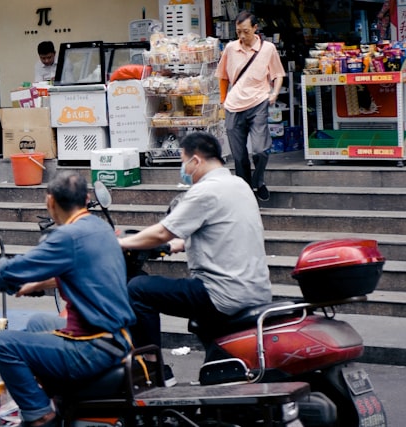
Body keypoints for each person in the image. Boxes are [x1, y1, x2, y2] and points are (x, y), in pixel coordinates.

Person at [0, 171, 136, 427]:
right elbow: (81, 271)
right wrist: (36, 284)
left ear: (50, 202)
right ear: (87, 198)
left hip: (92, 349)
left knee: (3, 343)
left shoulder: (67, 236)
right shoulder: (100, 228)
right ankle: (54, 397)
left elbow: (9, 269)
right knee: (37, 322)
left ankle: (40, 415)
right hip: (117, 338)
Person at [118, 131, 272, 386]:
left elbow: (162, 231)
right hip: (254, 289)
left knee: (137, 289)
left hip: (222, 293)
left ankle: (153, 371)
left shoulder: (206, 191)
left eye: (183, 160)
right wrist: (179, 243)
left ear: (197, 160)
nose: (183, 168)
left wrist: (118, 243)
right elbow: (219, 229)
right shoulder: (238, 185)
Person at [215, 11, 286, 201]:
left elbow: (278, 74)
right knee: (238, 157)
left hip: (258, 102)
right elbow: (222, 76)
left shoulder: (268, 48)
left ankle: (258, 181)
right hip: (233, 105)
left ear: (255, 28)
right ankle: (245, 192)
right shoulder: (230, 48)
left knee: (261, 150)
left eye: (245, 31)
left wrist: (275, 93)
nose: (242, 36)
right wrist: (223, 101)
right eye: (238, 32)